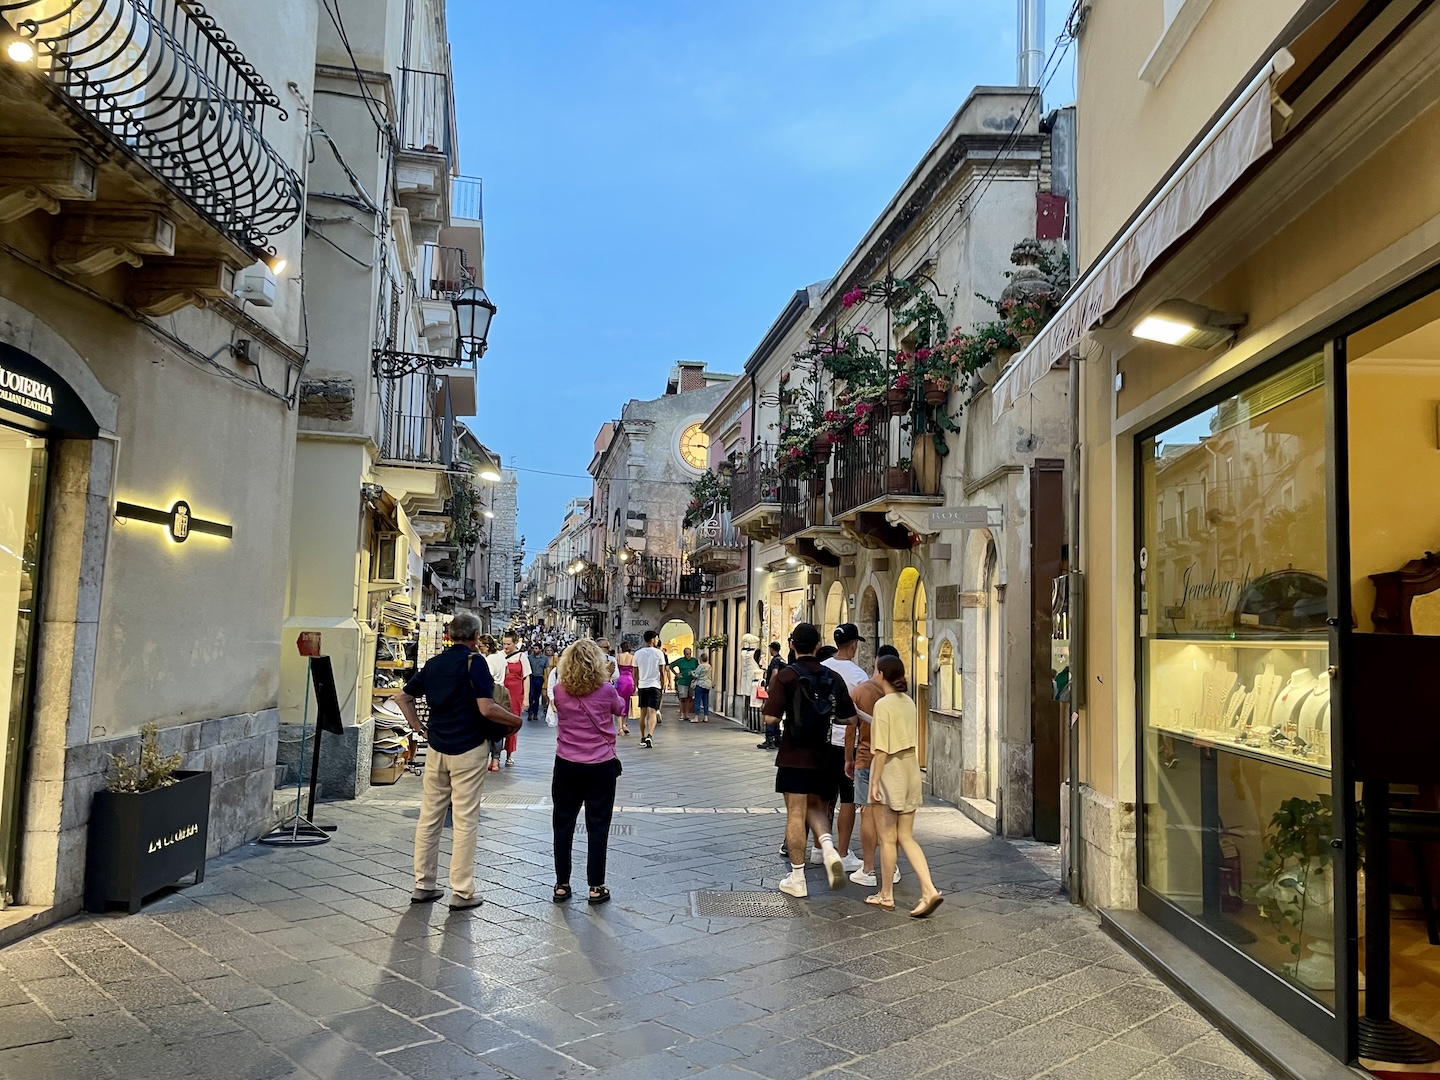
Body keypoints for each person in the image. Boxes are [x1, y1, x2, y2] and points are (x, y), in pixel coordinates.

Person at [393, 611, 522, 910]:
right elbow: (487, 707)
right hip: (468, 748)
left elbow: (403, 698)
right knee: (465, 819)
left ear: (449, 635)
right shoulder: (474, 662)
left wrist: (418, 727)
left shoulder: (435, 664)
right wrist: (514, 720)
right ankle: (462, 891)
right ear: (476, 637)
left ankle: (423, 885)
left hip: (437, 748)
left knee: (430, 817)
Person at [763, 622, 856, 898]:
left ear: (792, 645)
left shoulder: (786, 677)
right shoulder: (832, 676)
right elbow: (849, 718)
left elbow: (769, 718)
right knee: (817, 807)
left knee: (795, 813)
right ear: (818, 645)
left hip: (793, 754)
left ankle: (798, 877)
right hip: (823, 755)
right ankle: (827, 847)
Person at [550, 640, 627, 906]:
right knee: (598, 825)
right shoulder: (606, 690)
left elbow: (558, 709)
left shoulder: (560, 691)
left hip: (567, 764)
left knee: (563, 824)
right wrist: (609, 678)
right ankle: (596, 886)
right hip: (600, 765)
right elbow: (621, 708)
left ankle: (562, 884)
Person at [867, 655, 943, 918]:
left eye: (875, 670)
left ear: (881, 675)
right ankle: (928, 888)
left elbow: (880, 751)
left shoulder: (883, 705)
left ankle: (887, 894)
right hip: (910, 771)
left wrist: (874, 783)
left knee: (887, 838)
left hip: (890, 773)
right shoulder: (908, 702)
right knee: (906, 837)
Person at [848, 644, 902, 887]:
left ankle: (868, 869)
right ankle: (893, 867)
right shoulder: (904, 701)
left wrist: (848, 758)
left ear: (877, 666)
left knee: (868, 814)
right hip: (895, 765)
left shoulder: (861, 692)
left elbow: (851, 730)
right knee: (891, 817)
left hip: (868, 759)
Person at [821, 624, 870, 874]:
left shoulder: (824, 668)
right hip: (845, 743)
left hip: (822, 741)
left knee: (824, 796)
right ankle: (841, 852)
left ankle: (821, 848)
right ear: (853, 645)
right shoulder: (858, 675)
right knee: (848, 798)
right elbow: (859, 716)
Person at [496, 634, 529, 769]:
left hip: (515, 694)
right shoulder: (498, 656)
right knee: (497, 722)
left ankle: (509, 754)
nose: (506, 646)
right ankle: (496, 755)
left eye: (508, 644)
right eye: (504, 644)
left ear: (515, 643)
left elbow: (526, 677)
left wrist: (526, 698)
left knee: (513, 723)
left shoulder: (522, 657)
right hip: (500, 692)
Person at [634, 630, 666, 748]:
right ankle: (650, 736)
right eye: (656, 638)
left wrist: (637, 683)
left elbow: (635, 672)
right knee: (652, 712)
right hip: (655, 685)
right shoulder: (659, 653)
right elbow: (662, 671)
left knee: (643, 713)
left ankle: (642, 737)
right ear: (653, 639)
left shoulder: (637, 653)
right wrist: (663, 684)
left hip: (643, 685)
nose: (657, 640)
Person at [757, 642, 785, 750]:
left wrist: (770, 688)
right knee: (776, 714)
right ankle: (777, 738)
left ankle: (770, 739)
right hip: (780, 690)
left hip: (774, 690)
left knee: (770, 711)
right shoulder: (782, 660)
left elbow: (775, 673)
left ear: (772, 649)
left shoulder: (775, 660)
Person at [670, 647, 699, 722]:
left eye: (689, 654)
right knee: (683, 698)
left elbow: (698, 668)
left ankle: (687, 714)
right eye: (687, 654)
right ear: (684, 654)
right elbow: (671, 666)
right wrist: (676, 674)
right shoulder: (681, 661)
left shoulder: (694, 661)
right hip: (682, 682)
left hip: (691, 682)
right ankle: (682, 714)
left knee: (689, 698)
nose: (688, 656)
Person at [615, 640, 636, 736]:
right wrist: (636, 683)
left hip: (621, 680)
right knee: (628, 702)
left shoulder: (618, 657)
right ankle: (624, 724)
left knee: (619, 703)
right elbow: (635, 672)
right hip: (629, 680)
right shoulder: (632, 657)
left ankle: (619, 728)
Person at [526, 640, 548, 722]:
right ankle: (530, 713)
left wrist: (546, 680)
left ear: (540, 650)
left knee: (537, 697)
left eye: (536, 648)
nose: (534, 650)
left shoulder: (544, 659)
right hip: (532, 677)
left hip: (540, 678)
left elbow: (546, 669)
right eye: (534, 648)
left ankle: (535, 713)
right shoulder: (530, 658)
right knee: (531, 696)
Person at [692, 652, 713, 721]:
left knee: (697, 701)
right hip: (707, 685)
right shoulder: (709, 666)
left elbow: (696, 675)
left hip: (700, 684)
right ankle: (706, 717)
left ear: (701, 659)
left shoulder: (700, 666)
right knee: (705, 701)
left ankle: (696, 717)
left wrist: (692, 673)